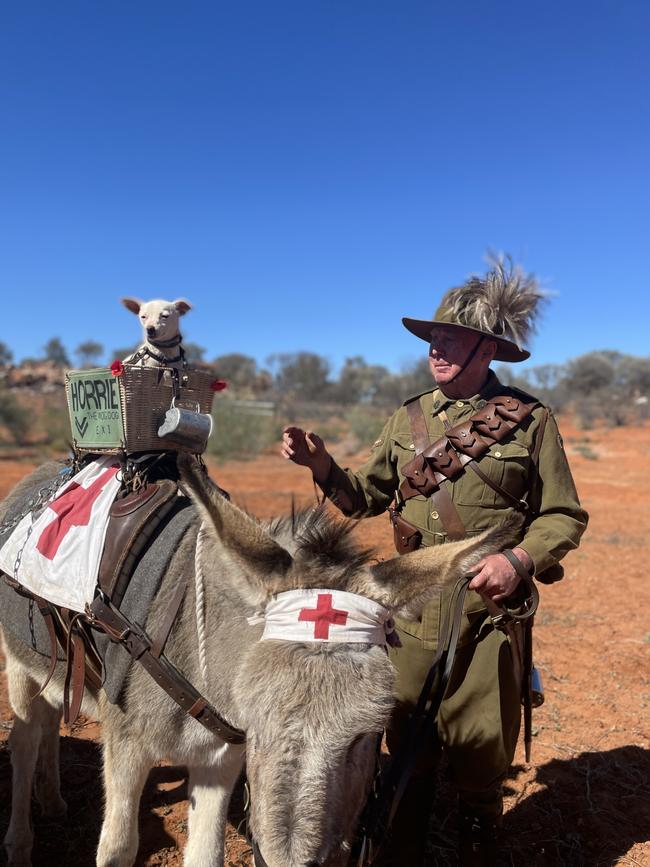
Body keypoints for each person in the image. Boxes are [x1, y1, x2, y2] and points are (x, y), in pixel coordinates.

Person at [281, 257, 588, 866]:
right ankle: (404, 843)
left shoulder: (530, 422)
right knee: (406, 742)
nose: (436, 349)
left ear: (486, 350)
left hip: (488, 607)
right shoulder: (409, 418)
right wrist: (320, 465)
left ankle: (479, 836)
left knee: (481, 744)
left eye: (451, 339)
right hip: (412, 605)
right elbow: (362, 497)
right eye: (433, 339)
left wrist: (520, 560)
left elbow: (564, 515)